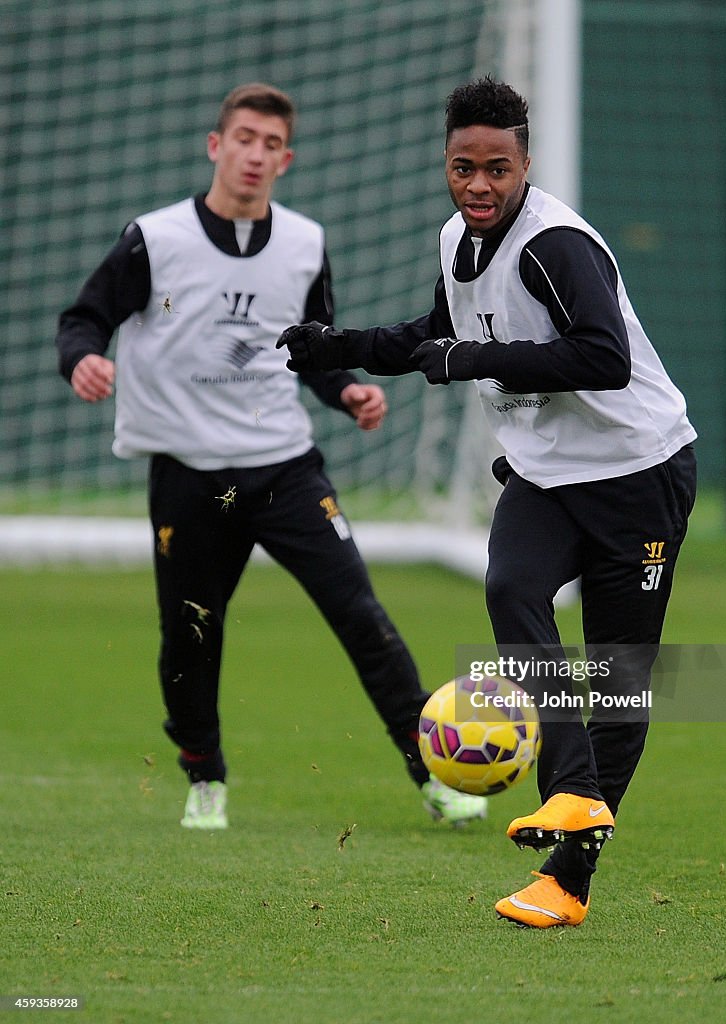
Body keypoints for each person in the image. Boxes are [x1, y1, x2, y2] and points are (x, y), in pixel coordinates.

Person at [277, 76, 697, 928]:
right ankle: (572, 789)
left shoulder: (557, 246)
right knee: (509, 588)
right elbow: (438, 337)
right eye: (463, 167)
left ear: (525, 165)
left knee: (616, 684)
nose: (478, 185)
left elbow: (601, 358)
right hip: (546, 475)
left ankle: (565, 880)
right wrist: (340, 346)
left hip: (636, 476)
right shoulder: (454, 239)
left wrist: (469, 361)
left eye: (496, 169)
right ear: (447, 163)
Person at [55, 82, 487, 832]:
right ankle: (205, 779)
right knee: (191, 631)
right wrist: (82, 359)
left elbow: (310, 351)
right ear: (216, 146)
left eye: (270, 145)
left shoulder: (303, 244)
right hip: (189, 475)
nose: (255, 155)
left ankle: (436, 778)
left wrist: (346, 391)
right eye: (243, 139)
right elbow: (84, 318)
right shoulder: (153, 239)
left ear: (285, 160)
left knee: (361, 616)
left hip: (285, 468)